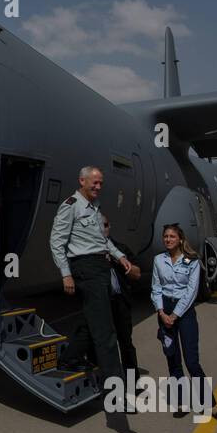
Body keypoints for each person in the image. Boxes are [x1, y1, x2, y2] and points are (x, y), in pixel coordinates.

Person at [50, 166, 134, 411]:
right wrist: (66, 274)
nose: (98, 187)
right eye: (94, 183)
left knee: (93, 322)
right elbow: (56, 241)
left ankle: (67, 359)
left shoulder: (94, 208)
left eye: (100, 183)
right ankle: (116, 396)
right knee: (106, 334)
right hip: (85, 268)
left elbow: (102, 240)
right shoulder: (70, 205)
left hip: (101, 267)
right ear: (82, 181)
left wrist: (119, 257)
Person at [151, 223, 217, 422]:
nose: (168, 239)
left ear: (180, 240)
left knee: (192, 362)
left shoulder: (191, 261)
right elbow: (156, 288)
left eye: (172, 236)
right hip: (164, 311)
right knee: (173, 360)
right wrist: (161, 312)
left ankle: (210, 405)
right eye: (166, 236)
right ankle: (182, 402)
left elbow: (191, 291)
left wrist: (174, 315)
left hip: (184, 313)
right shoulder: (159, 260)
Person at [73, 216, 142, 381]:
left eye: (104, 225)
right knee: (99, 344)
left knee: (125, 343)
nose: (101, 229)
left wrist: (119, 261)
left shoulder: (120, 248)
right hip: (99, 303)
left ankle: (133, 382)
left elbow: (137, 274)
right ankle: (101, 380)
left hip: (119, 302)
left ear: (109, 226)